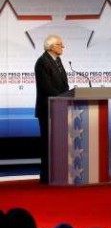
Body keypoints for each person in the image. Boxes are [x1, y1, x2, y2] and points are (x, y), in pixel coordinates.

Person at [35, 34, 70, 184]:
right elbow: (46, 87)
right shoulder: (42, 62)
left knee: (59, 142)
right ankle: (46, 175)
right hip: (47, 108)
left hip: (60, 107)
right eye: (60, 45)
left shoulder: (58, 60)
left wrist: (68, 94)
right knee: (48, 143)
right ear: (51, 46)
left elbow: (64, 83)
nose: (63, 47)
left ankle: (59, 173)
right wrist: (62, 97)